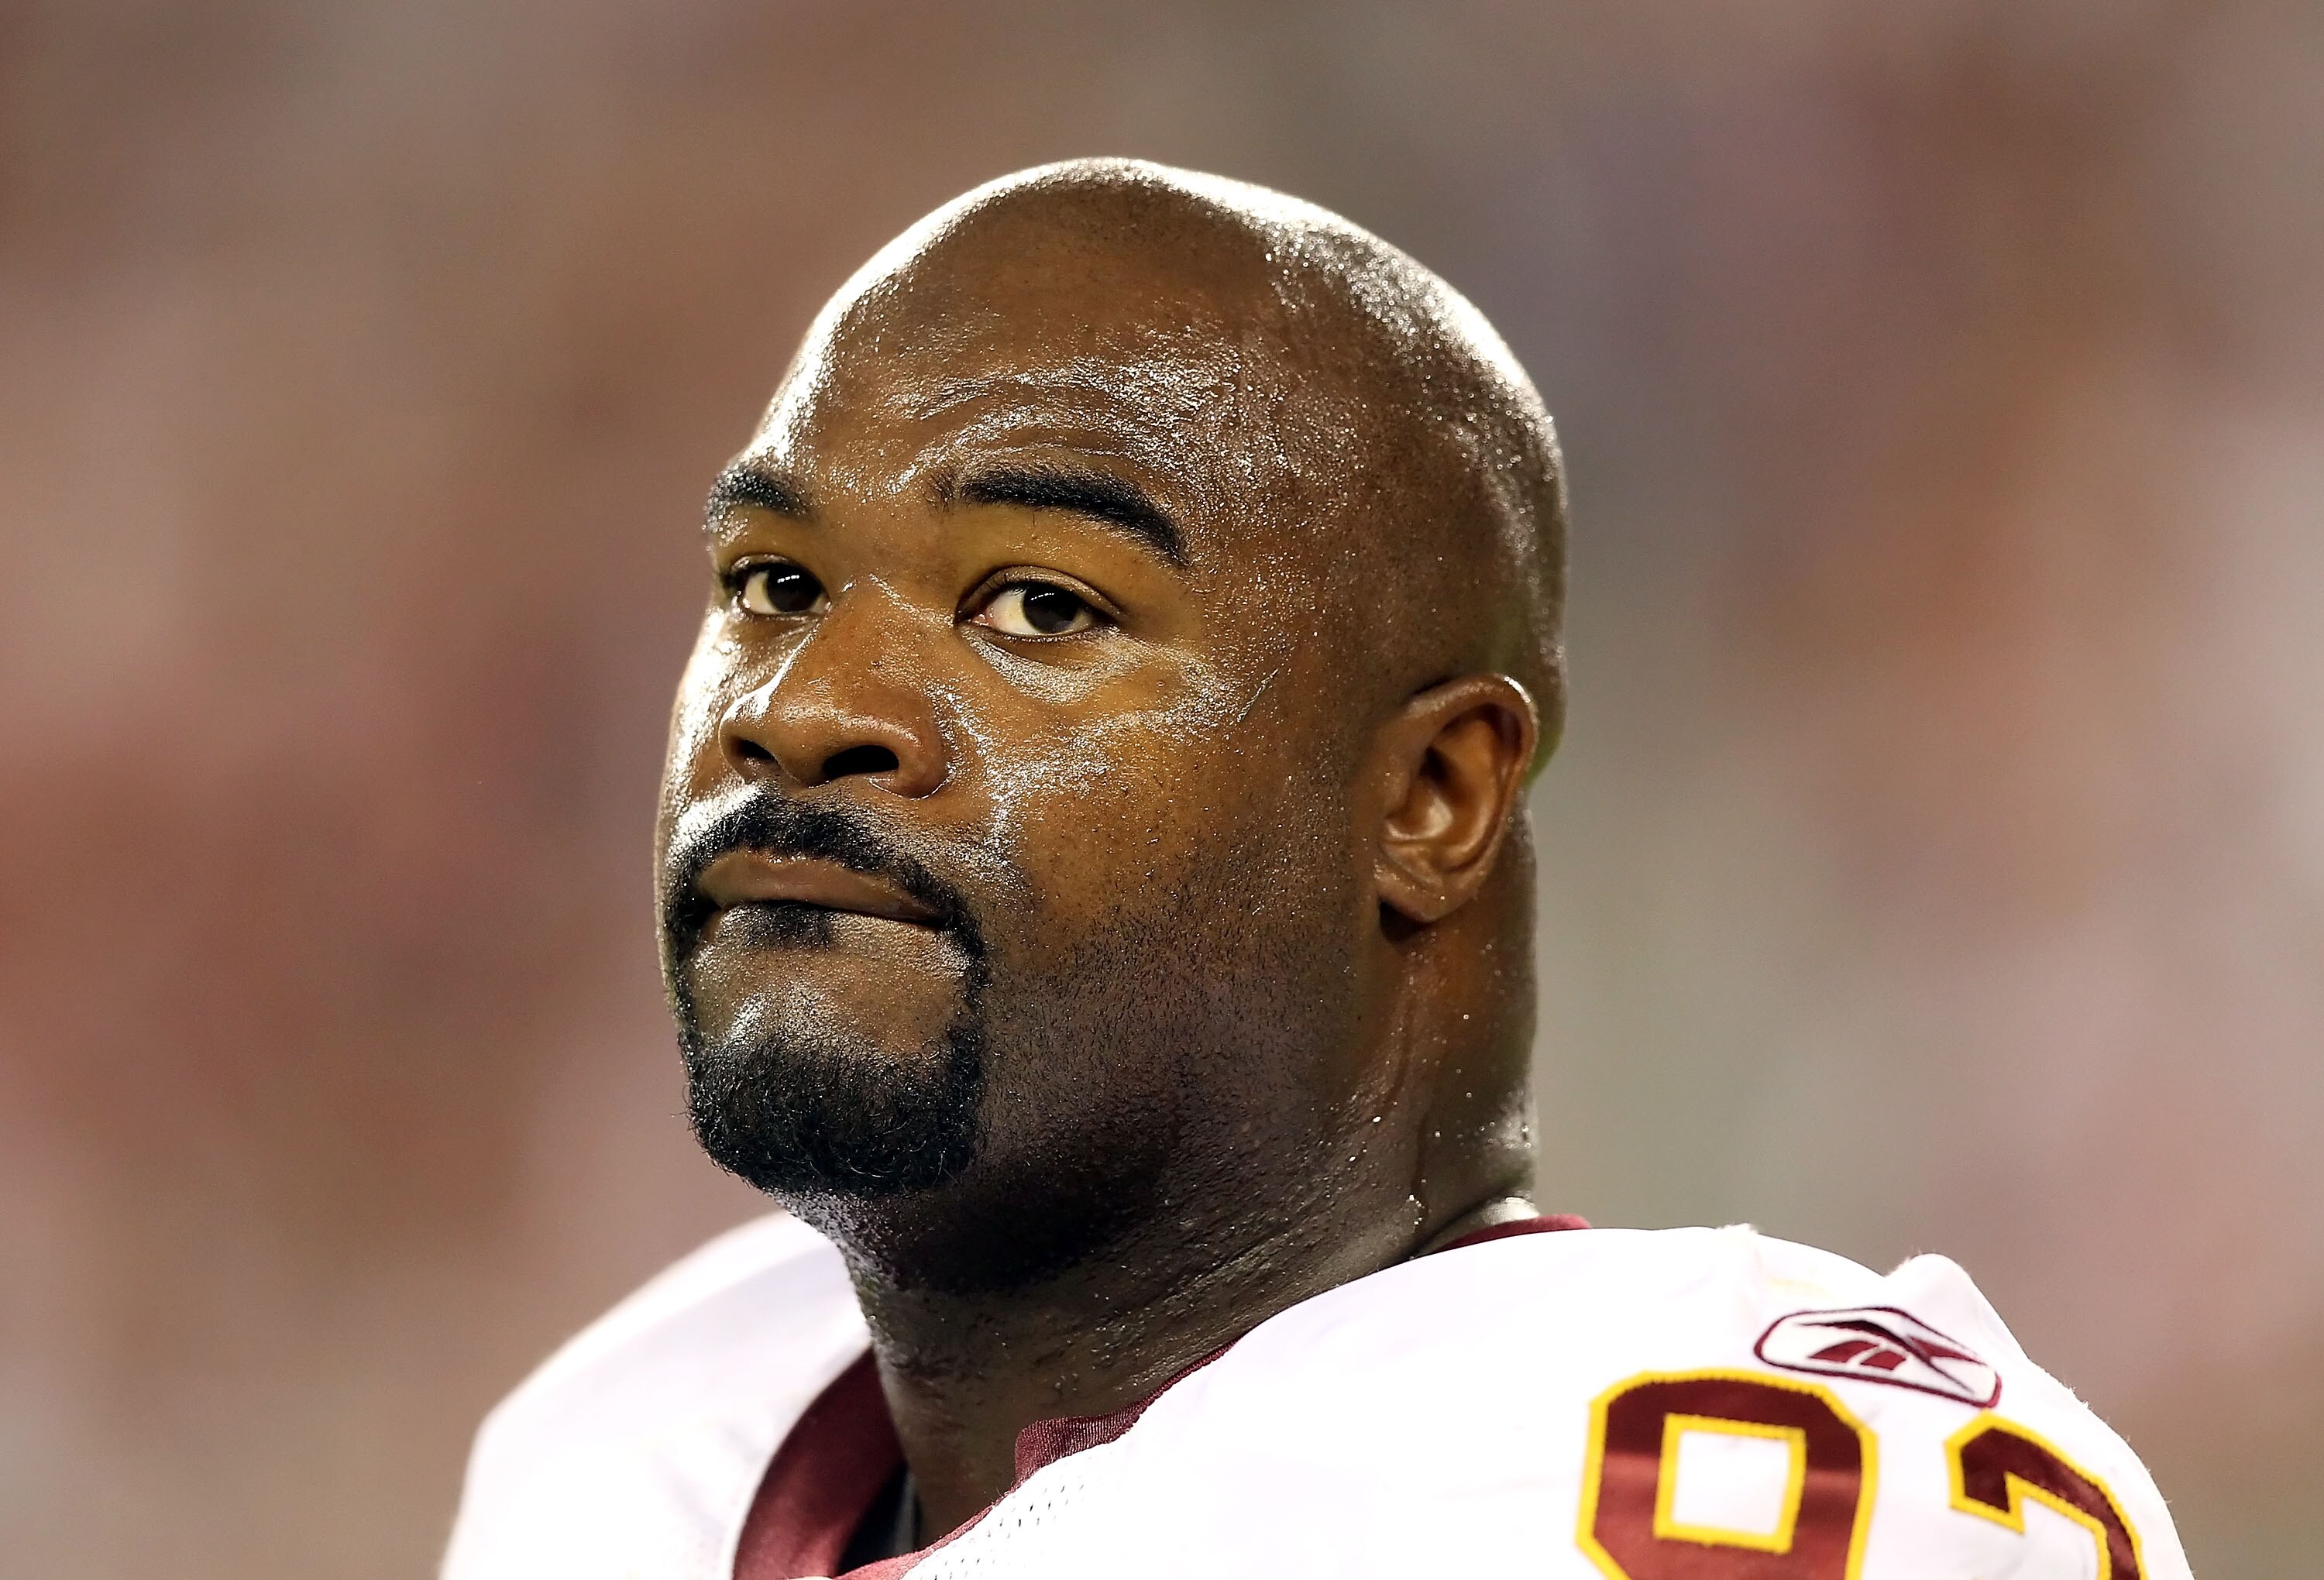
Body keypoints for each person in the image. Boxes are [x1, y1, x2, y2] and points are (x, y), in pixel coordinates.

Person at [440, 160, 2190, 1580]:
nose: (805, 711)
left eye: (1037, 606)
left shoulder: (1715, 1479)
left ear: (1431, 795)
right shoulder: (613, 1454)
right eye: (772, 586)